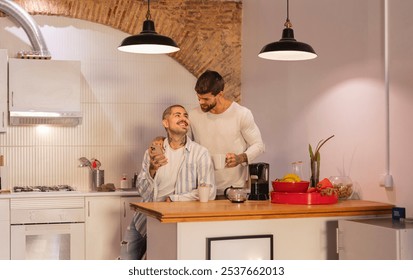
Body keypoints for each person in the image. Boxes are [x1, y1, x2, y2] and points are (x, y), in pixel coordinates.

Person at [120, 104, 216, 260]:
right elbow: (143, 192)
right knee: (126, 259)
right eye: (177, 115)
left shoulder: (200, 153)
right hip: (145, 218)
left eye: (185, 115)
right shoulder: (152, 152)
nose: (184, 118)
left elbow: (209, 191)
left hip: (175, 221)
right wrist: (152, 170)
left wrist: (174, 199)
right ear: (165, 123)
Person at [189, 70, 265, 197]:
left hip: (234, 190)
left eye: (206, 99)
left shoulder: (241, 114)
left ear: (220, 94)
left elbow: (258, 145)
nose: (201, 102)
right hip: (202, 190)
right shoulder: (193, 115)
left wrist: (240, 158)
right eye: (199, 98)